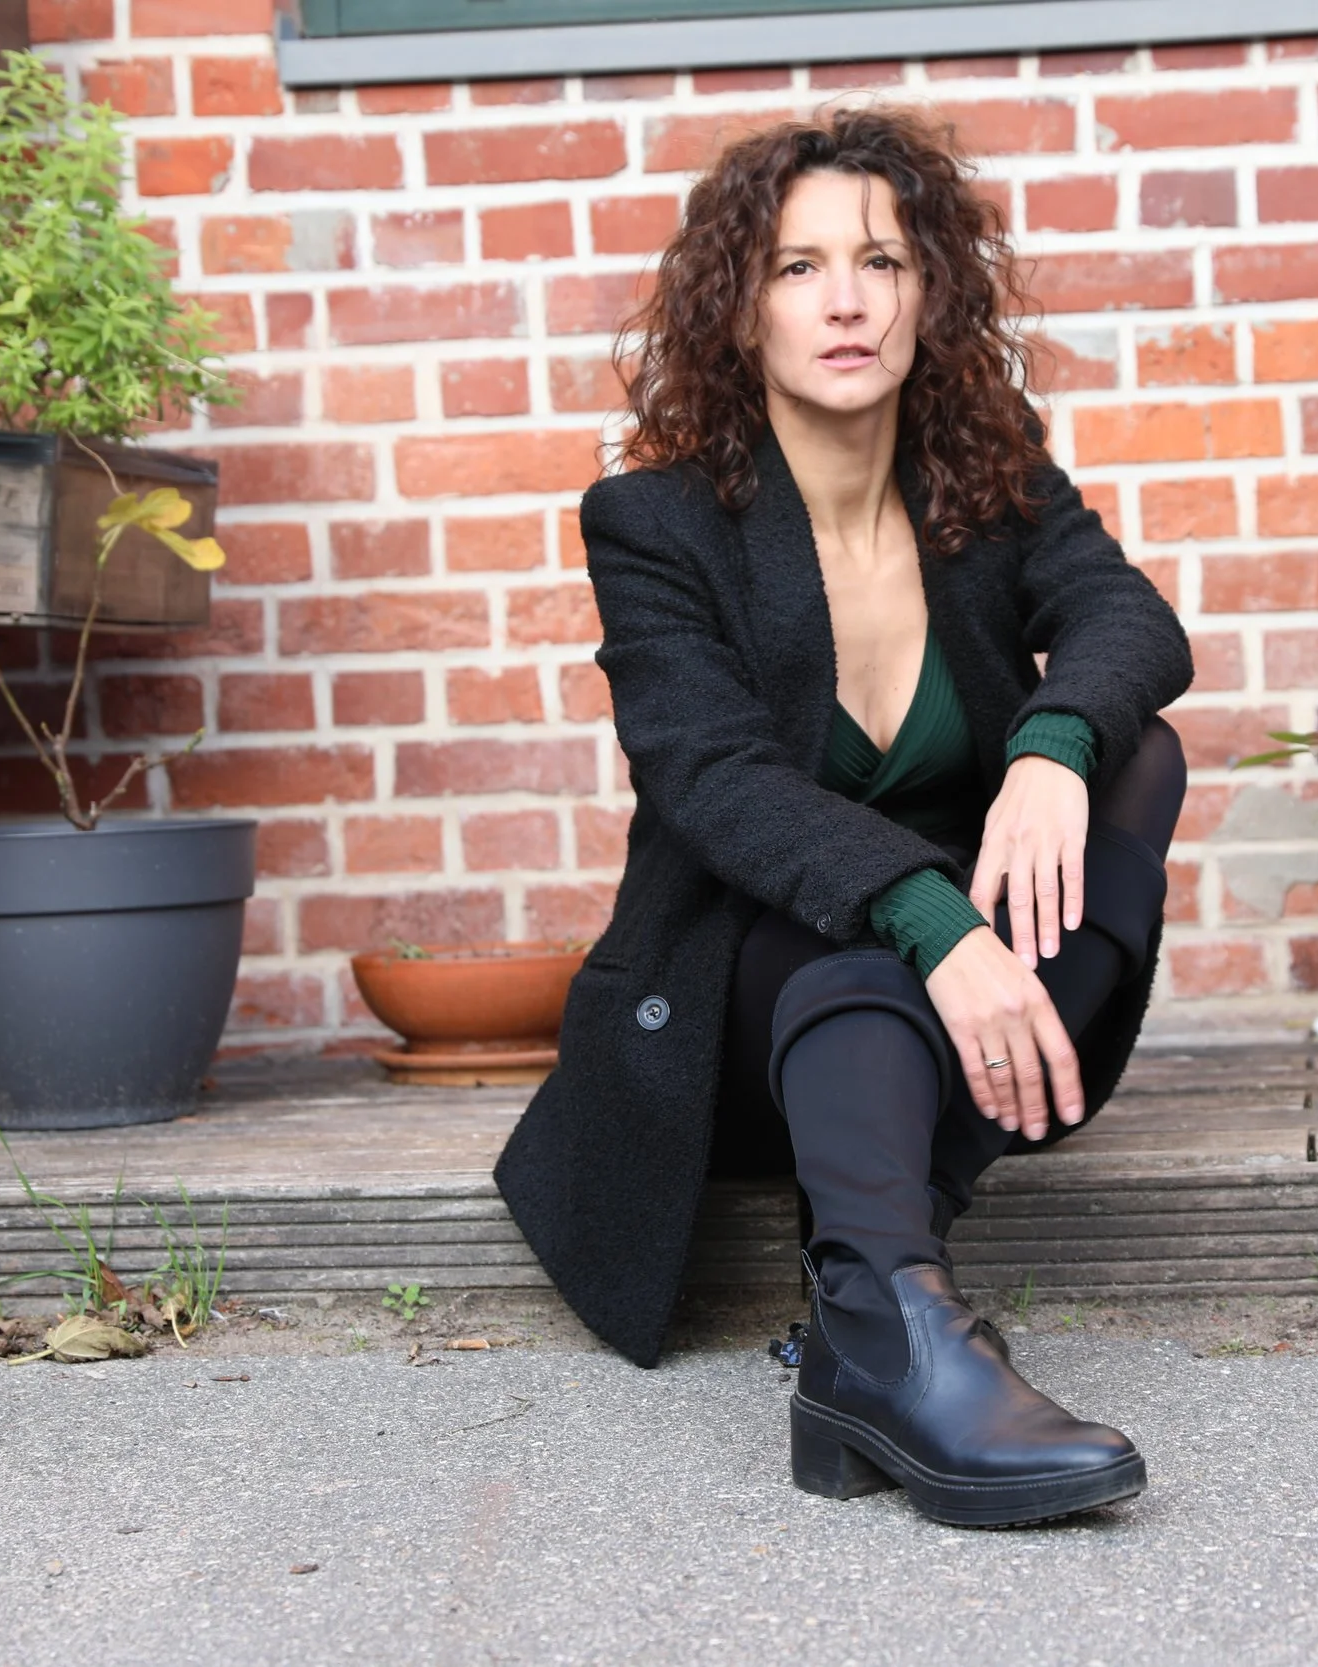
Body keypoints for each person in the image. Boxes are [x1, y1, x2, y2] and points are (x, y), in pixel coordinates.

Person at [491, 104, 1194, 1529]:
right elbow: (711, 778)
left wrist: (1054, 746)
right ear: (738, 309)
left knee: (1137, 755)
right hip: (746, 1006)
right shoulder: (656, 520)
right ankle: (900, 1321)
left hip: (952, 1012)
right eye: (798, 267)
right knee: (848, 944)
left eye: (881, 260)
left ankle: (871, 1328)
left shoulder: (991, 480)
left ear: (932, 292)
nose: (847, 299)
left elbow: (1126, 618)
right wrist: (933, 912)